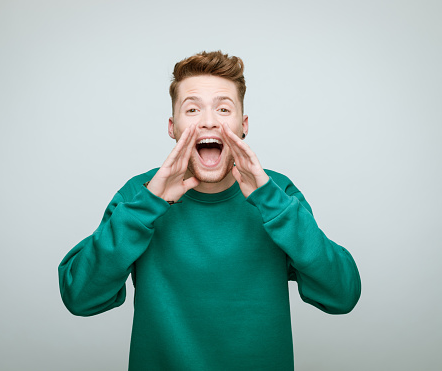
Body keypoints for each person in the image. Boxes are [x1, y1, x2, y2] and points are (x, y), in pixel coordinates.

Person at [58, 50, 361, 371]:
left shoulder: (279, 195)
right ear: (172, 127)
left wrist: (272, 203)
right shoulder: (139, 194)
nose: (208, 120)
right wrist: (147, 205)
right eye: (192, 109)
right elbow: (80, 296)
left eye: (223, 108)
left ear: (243, 125)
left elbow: (341, 295)